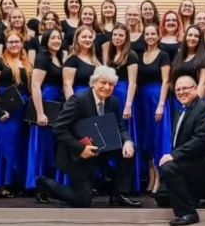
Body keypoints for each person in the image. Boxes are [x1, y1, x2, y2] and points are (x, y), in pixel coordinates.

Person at [37, 66, 142, 208]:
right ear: (94, 83)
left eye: (111, 84)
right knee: (82, 200)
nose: (107, 87)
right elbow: (58, 129)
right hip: (76, 154)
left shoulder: (114, 102)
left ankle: (119, 194)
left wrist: (128, 141)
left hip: (100, 149)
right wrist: (81, 148)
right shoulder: (78, 100)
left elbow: (120, 127)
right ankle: (44, 183)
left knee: (130, 148)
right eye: (103, 83)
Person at [159, 75, 205, 226]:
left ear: (195, 89)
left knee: (169, 168)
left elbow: (201, 140)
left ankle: (188, 213)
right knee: (161, 197)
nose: (181, 92)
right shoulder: (180, 109)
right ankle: (202, 192)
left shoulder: (204, 109)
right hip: (188, 159)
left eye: (185, 88)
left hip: (203, 161)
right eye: (178, 89)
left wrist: (174, 156)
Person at [0, 30, 32, 196]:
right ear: (6, 44)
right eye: (11, 42)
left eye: (17, 42)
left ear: (22, 43)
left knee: (18, 146)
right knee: (3, 145)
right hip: (4, 109)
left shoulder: (27, 64)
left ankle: (15, 183)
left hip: (21, 110)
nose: (14, 45)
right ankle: (1, 185)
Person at [103, 23, 141, 192]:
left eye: (121, 35)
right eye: (115, 35)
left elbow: (133, 82)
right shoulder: (110, 54)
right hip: (110, 95)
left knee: (125, 131)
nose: (117, 38)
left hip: (124, 95)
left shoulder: (131, 55)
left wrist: (128, 105)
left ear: (126, 38)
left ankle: (128, 183)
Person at [29, 29, 64, 201]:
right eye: (53, 38)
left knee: (52, 148)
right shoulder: (43, 58)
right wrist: (40, 112)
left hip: (58, 104)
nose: (56, 40)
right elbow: (35, 85)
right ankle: (40, 189)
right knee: (43, 148)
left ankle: (51, 186)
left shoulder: (60, 58)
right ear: (46, 41)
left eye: (59, 38)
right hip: (46, 103)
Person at [137, 24, 172, 195]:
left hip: (157, 98)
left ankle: (159, 178)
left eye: (153, 34)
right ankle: (151, 177)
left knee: (159, 137)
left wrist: (161, 104)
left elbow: (166, 81)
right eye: (147, 34)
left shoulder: (163, 55)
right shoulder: (140, 56)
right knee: (147, 138)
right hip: (143, 100)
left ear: (159, 36)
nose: (150, 36)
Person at [171, 25, 205, 99]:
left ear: (200, 40)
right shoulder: (178, 56)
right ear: (185, 37)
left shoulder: (203, 58)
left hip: (193, 99)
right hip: (177, 98)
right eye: (190, 35)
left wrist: (195, 104)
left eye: (196, 36)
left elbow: (203, 84)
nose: (192, 38)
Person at [62, 26, 99, 99]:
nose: (88, 39)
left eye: (90, 37)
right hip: (79, 98)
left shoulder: (95, 60)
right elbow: (67, 85)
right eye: (84, 37)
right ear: (77, 39)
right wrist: (72, 104)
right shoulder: (72, 60)